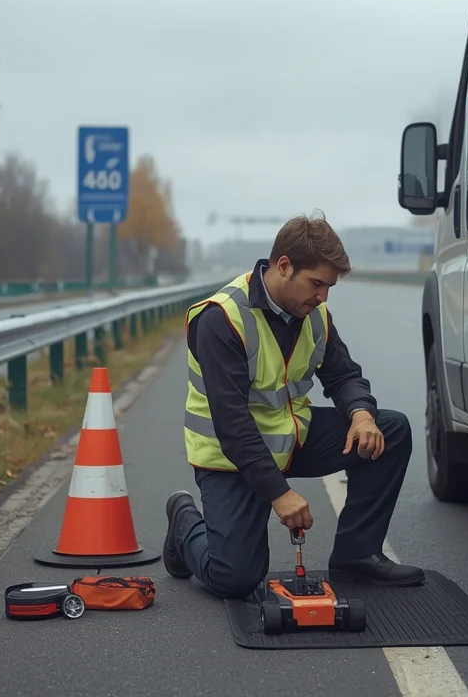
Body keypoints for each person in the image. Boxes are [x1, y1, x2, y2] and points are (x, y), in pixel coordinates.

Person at [161, 214, 425, 598]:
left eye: (329, 287)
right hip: (232, 458)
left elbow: (343, 375)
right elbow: (232, 425)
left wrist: (362, 415)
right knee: (234, 578)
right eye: (316, 283)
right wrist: (279, 493)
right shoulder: (221, 320)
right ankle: (185, 522)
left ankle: (357, 556)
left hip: (291, 438)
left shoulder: (314, 313)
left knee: (391, 430)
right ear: (284, 266)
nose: (322, 297)